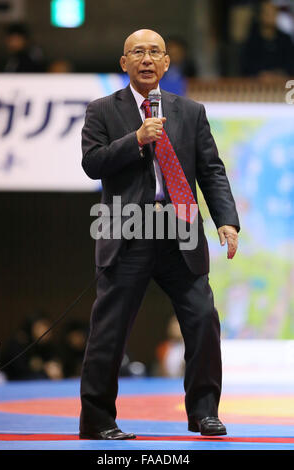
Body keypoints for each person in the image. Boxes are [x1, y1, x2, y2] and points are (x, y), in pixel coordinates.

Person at [79, 29, 240, 440]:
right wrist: (135, 139)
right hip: (128, 230)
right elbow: (92, 163)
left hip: (181, 228)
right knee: (109, 329)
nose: (147, 59)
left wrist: (226, 219)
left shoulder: (190, 111)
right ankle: (97, 420)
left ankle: (203, 413)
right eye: (137, 52)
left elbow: (211, 170)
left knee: (203, 319)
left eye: (155, 52)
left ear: (167, 63)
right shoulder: (102, 110)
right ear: (124, 63)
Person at [240, 0, 294, 79]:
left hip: (283, 86)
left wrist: (278, 74)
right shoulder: (252, 40)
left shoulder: (285, 39)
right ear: (260, 15)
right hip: (257, 87)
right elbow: (246, 67)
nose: (271, 16)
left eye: (274, 12)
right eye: (267, 13)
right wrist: (263, 75)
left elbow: (291, 65)